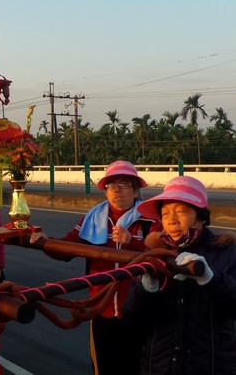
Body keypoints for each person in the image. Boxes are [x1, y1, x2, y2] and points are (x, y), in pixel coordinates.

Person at [32, 160, 160, 375]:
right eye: (111, 185)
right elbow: (68, 248)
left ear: (136, 190)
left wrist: (132, 242)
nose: (117, 189)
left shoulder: (150, 220)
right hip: (102, 311)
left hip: (141, 313)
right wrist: (45, 241)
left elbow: (160, 257)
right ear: (106, 191)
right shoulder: (93, 219)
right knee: (104, 367)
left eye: (124, 184)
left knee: (142, 368)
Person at [123, 176, 236, 375]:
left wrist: (211, 278)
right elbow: (132, 316)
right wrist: (147, 288)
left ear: (201, 216)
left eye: (181, 211)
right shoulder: (152, 254)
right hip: (160, 368)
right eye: (165, 213)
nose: (171, 220)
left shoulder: (227, 252)